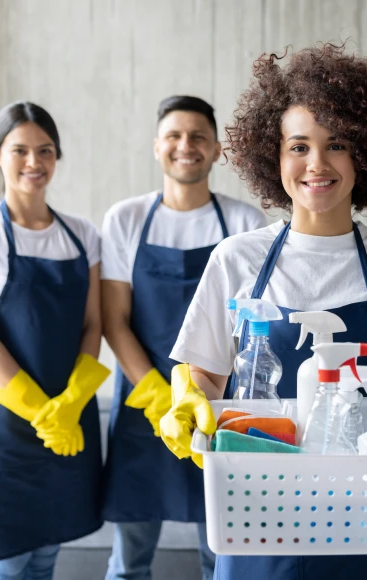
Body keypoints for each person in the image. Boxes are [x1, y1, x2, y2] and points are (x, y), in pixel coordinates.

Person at [157, 43, 367, 580]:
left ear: (366, 155)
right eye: (299, 146)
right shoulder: (235, 259)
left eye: (337, 144)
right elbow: (207, 376)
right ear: (273, 156)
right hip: (260, 520)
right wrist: (187, 396)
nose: (317, 164)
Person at [99, 95, 266, 580]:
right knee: (129, 560)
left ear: (216, 150)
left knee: (222, 554)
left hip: (217, 405)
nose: (185, 146)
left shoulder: (244, 223)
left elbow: (249, 324)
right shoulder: (126, 220)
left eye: (198, 137)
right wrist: (158, 396)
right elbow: (114, 319)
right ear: (157, 147)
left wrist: (202, 398)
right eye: (174, 136)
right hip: (144, 403)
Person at [0, 101, 109, 579]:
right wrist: (42, 412)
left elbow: (93, 325)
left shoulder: (82, 235)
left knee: (46, 556)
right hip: (6, 425)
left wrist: (71, 404)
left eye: (46, 150)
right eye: (20, 150)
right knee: (9, 564)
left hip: (69, 419)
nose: (34, 162)